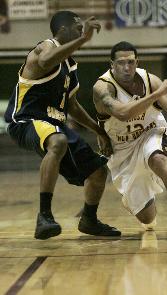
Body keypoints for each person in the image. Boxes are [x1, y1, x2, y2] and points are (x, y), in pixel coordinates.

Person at [4, 11, 121, 240]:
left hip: (54, 123)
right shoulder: (45, 47)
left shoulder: (70, 66)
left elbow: (73, 106)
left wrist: (99, 131)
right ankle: (44, 216)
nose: (82, 30)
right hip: (26, 119)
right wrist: (83, 39)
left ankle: (89, 220)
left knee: (98, 171)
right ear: (64, 29)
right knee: (58, 141)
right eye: (78, 27)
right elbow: (46, 61)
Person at [93, 41, 167, 240]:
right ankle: (139, 201)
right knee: (148, 219)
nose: (127, 67)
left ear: (137, 62)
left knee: (158, 159)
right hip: (122, 150)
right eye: (121, 63)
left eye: (131, 62)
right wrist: (158, 94)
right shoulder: (102, 88)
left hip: (151, 133)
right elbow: (122, 114)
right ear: (112, 64)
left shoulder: (150, 81)